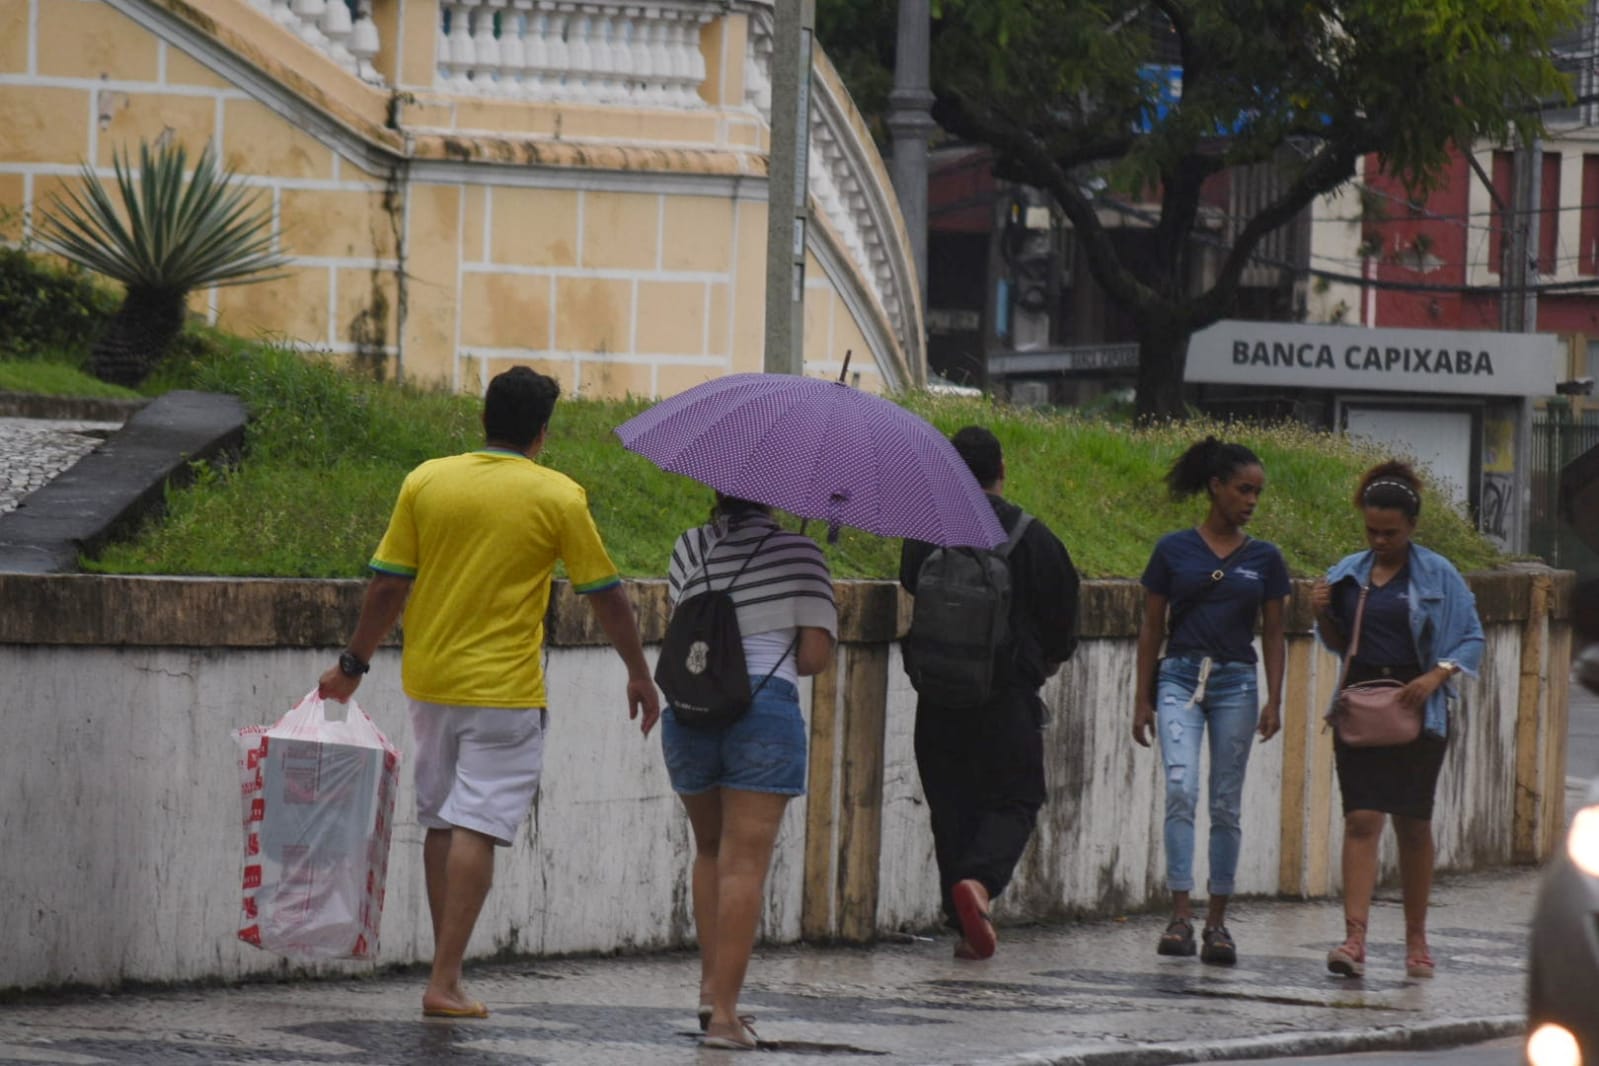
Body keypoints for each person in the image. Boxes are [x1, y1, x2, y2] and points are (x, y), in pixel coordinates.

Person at [318, 366, 659, 1020]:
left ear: (482, 421)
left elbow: (388, 586)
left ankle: (446, 972)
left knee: (443, 821)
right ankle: (445, 980)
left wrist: (354, 663)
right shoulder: (557, 496)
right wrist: (638, 673)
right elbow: (606, 596)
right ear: (542, 432)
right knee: (478, 821)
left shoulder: (426, 481)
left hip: (430, 683)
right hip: (504, 690)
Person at [662, 494, 837, 1050]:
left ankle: (712, 992)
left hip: (689, 712)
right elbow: (811, 658)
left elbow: (690, 630)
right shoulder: (801, 553)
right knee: (743, 866)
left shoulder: (689, 545)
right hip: (763, 714)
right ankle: (725, 1021)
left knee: (710, 851)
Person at [899, 426, 1080, 961]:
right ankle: (978, 886)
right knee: (1017, 798)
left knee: (950, 804)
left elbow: (915, 589)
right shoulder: (1035, 538)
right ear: (1002, 468)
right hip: (1006, 697)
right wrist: (1038, 664)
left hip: (936, 698)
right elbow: (1062, 624)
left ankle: (962, 926)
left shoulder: (923, 535)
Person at [1311, 460, 1484, 980]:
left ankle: (1416, 940)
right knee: (1361, 819)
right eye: (1371, 531)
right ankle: (1355, 937)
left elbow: (1471, 636)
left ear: (1412, 527)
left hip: (1417, 712)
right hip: (1361, 707)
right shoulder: (1348, 573)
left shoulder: (1439, 575)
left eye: (1390, 532)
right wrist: (1321, 612)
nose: (1380, 540)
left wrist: (1437, 675)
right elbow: (1341, 645)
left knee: (1413, 825)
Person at [1133, 436, 1288, 966]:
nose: (1250, 501)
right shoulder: (1173, 550)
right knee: (1180, 787)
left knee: (1225, 802)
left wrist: (1275, 697)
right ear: (1215, 487)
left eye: (1257, 493)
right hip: (1178, 677)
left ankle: (1218, 924)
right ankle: (1180, 914)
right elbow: (1152, 627)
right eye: (1243, 490)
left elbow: (1273, 631)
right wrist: (1142, 698)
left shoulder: (1266, 559)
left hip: (1237, 683)